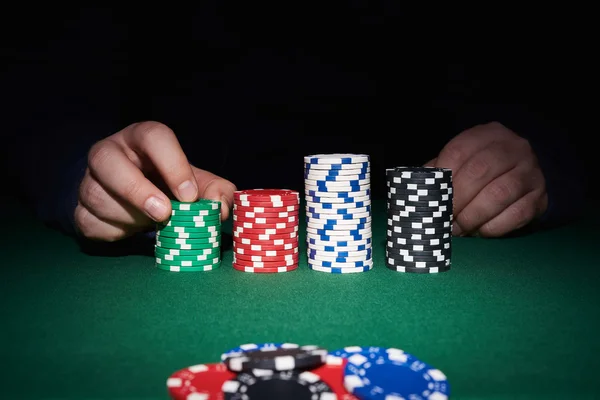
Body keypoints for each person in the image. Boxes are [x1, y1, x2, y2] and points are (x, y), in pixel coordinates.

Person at [3, 6, 585, 244]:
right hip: (185, 192)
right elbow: (43, 85)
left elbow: (556, 72)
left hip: (406, 194)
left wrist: (549, 157)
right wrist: (78, 167)